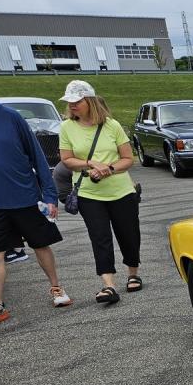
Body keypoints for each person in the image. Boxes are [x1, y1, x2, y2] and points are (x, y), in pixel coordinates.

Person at [0, 97, 72, 325]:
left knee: (40, 245)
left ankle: (56, 287)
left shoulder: (11, 117)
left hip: (25, 197)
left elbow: (37, 155)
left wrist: (49, 195)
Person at [58, 80, 141, 305]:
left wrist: (109, 169)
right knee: (100, 237)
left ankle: (133, 273)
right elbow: (66, 160)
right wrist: (90, 163)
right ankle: (108, 284)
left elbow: (128, 159)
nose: (72, 106)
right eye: (69, 102)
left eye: (77, 101)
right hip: (88, 193)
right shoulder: (66, 127)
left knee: (129, 234)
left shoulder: (111, 125)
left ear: (90, 101)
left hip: (121, 191)